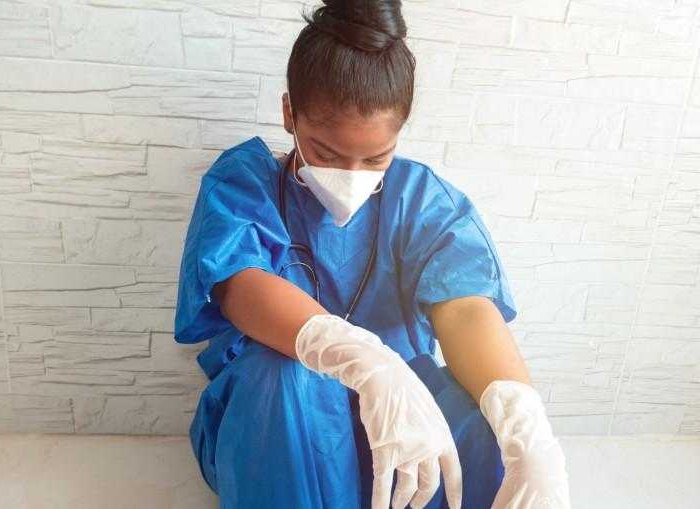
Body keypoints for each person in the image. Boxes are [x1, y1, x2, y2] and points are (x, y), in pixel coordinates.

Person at [174, 1, 571, 508]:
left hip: (405, 409)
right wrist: (364, 362)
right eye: (327, 152)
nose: (352, 175)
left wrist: (525, 429)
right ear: (288, 113)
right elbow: (240, 283)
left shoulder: (422, 199)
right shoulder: (243, 182)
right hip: (280, 429)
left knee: (490, 432)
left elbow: (466, 306)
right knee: (278, 376)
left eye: (377, 157)